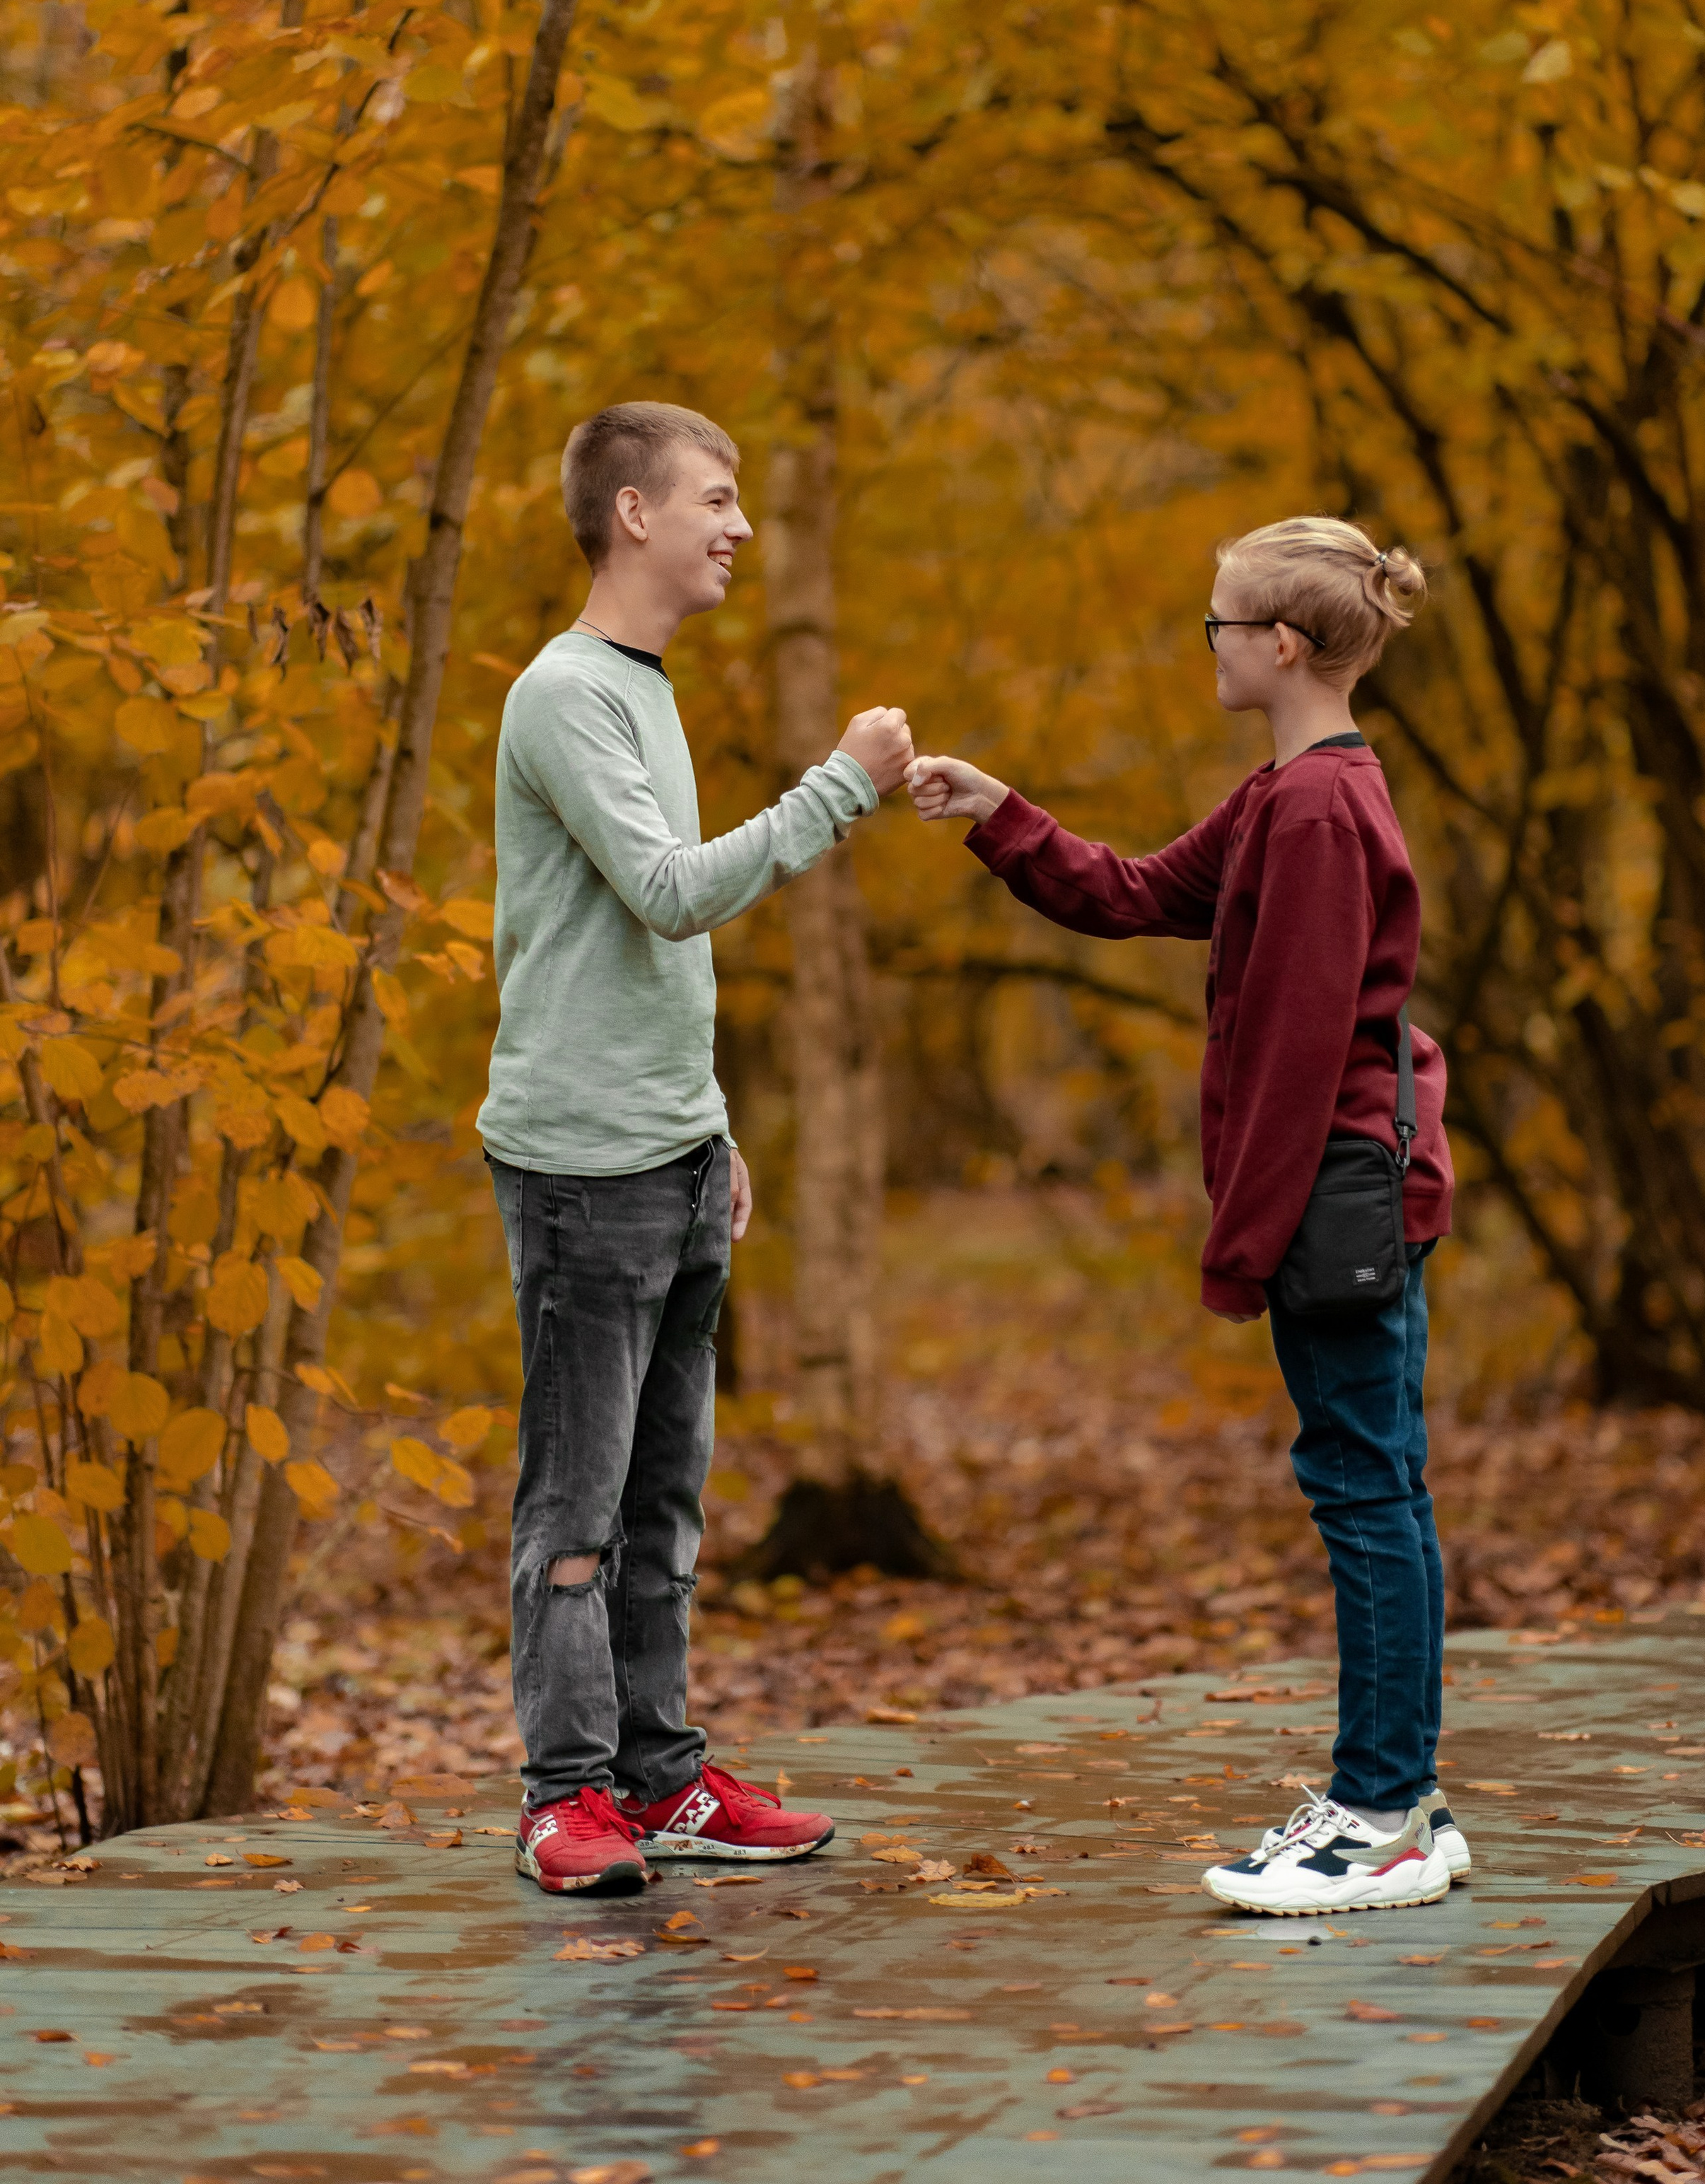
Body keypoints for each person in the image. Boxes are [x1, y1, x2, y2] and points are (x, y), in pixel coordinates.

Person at [907, 515, 1460, 1917]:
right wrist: (997, 811)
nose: (1205, 643)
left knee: (1366, 1493)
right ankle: (1384, 1792)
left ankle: (1386, 1810)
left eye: (1216, 623)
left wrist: (1239, 1247)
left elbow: (1289, 1047)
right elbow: (1138, 891)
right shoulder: (1285, 793)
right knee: (1362, 1482)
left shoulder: (1324, 812)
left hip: (1335, 1199)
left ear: (1278, 644)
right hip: (1324, 1192)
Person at [477, 401, 914, 1895]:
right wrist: (839, 785)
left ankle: (660, 1777)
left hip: (670, 1155)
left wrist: (713, 1121)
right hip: (580, 1170)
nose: (737, 526)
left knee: (665, 1503)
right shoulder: (563, 695)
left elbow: (648, 963)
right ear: (632, 512)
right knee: (577, 1512)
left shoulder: (642, 688)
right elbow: (670, 893)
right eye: (714, 499)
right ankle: (564, 1794)